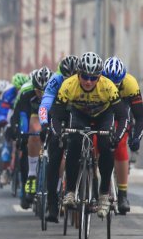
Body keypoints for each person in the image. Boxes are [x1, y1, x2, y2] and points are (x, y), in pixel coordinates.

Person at [52, 52, 128, 218]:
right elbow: (56, 114)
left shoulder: (108, 86)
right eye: (85, 76)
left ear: (99, 77)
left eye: (93, 78)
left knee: (106, 146)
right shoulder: (69, 85)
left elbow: (122, 116)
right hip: (80, 115)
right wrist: (58, 133)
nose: (88, 81)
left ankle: (103, 195)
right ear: (78, 74)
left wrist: (118, 136)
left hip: (103, 115)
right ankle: (70, 191)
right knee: (73, 144)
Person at [102, 56, 143, 215]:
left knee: (121, 146)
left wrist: (136, 138)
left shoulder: (130, 84)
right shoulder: (98, 82)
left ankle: (122, 194)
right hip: (103, 112)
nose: (113, 87)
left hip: (122, 114)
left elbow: (140, 117)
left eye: (117, 84)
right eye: (110, 83)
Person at [37, 55, 79, 222]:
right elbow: (45, 104)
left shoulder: (83, 80)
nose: (69, 80)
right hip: (59, 114)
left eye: (73, 77)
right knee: (55, 155)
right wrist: (44, 124)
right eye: (66, 77)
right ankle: (52, 205)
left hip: (77, 113)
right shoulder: (56, 80)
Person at [9, 66, 53, 209]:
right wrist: (18, 131)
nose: (41, 94)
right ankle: (29, 181)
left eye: (44, 91)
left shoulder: (57, 90)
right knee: (26, 144)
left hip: (51, 117)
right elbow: (19, 114)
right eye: (38, 91)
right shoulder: (26, 91)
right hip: (31, 115)